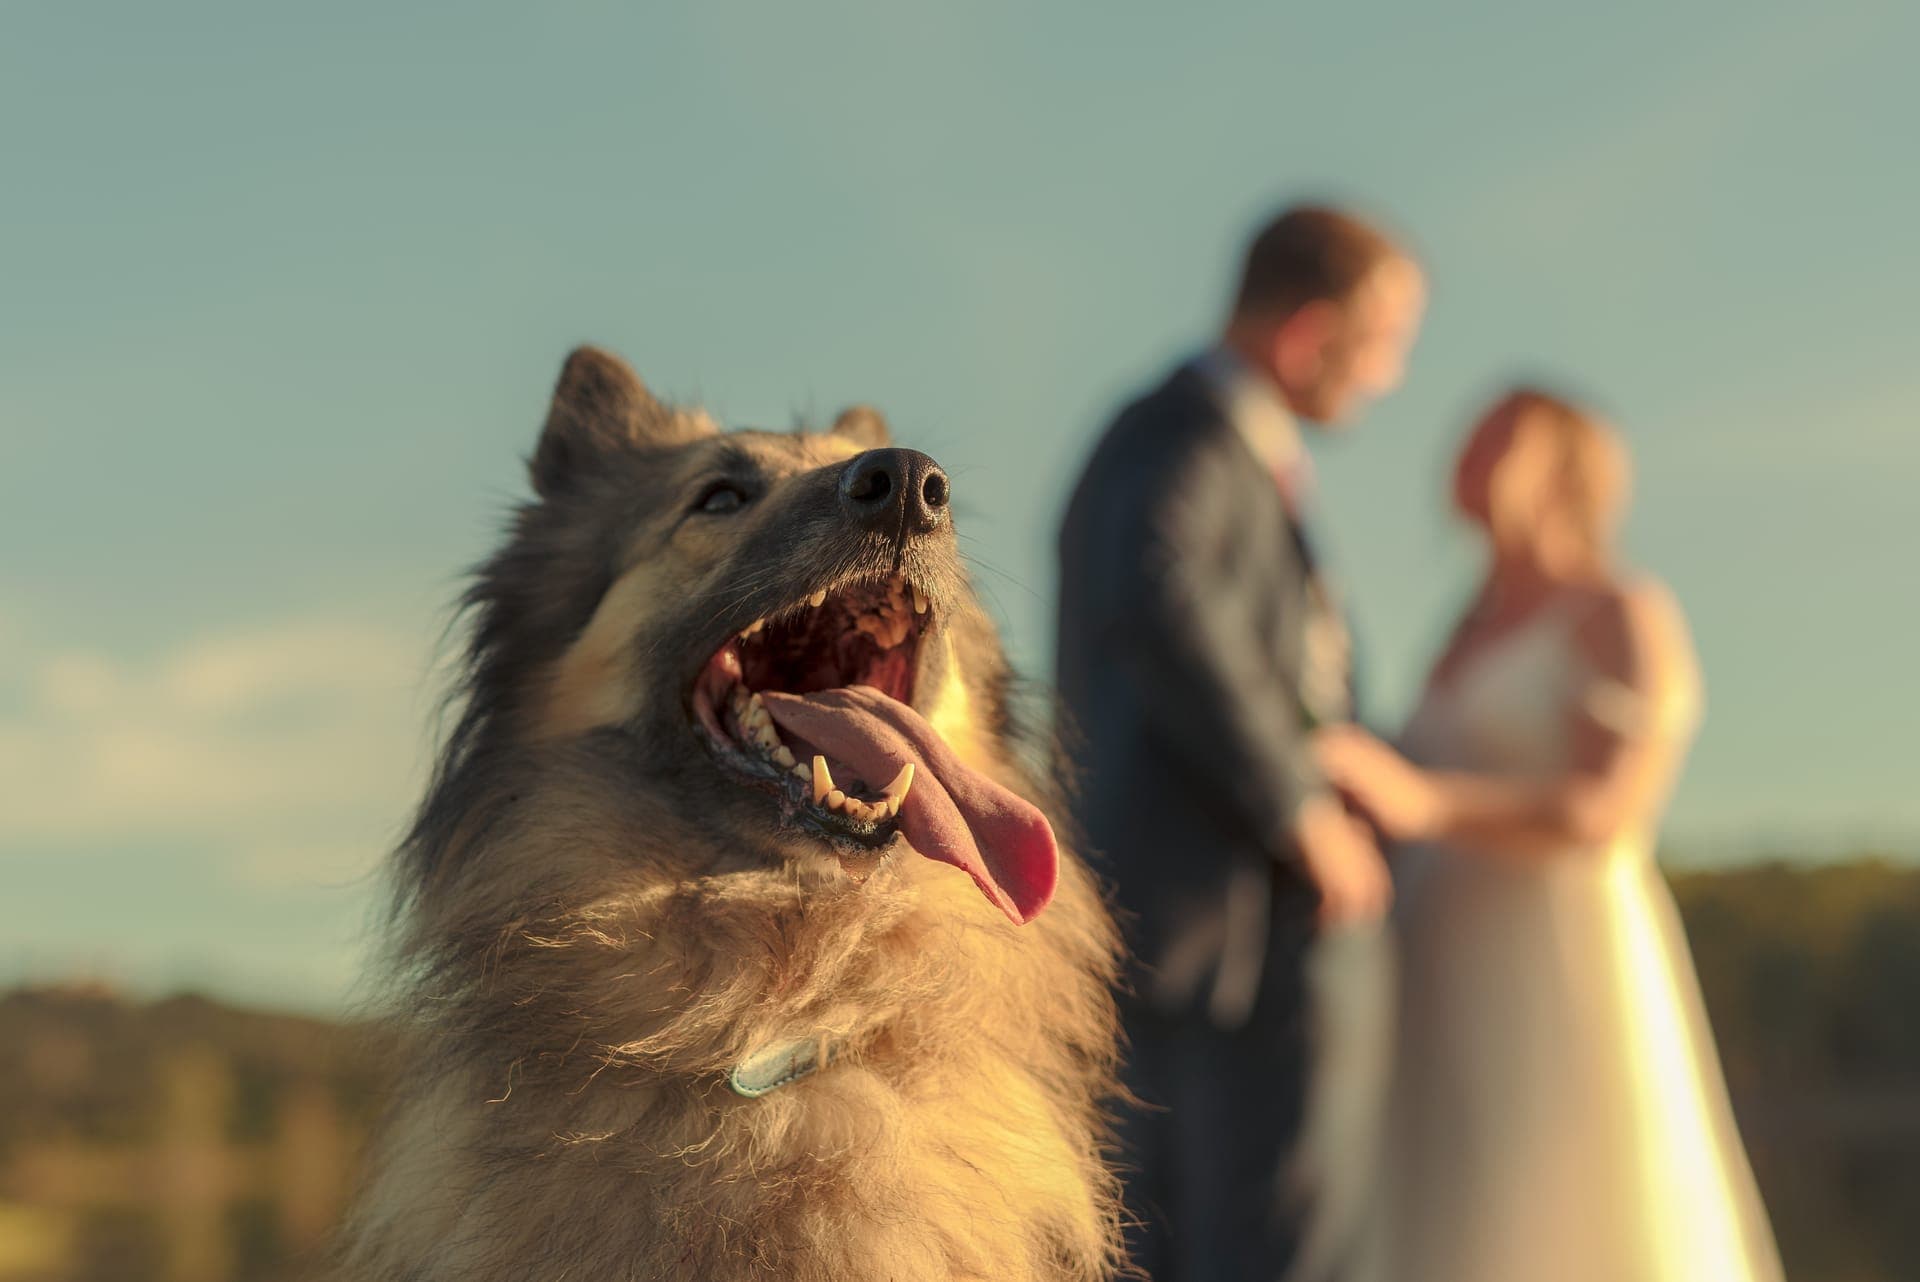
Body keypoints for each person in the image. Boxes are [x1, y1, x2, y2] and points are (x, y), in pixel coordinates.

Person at [1318, 389, 1785, 1282]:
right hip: (1438, 960)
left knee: (1566, 1209)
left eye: (1501, 440)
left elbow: (1613, 810)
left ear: (1565, 471)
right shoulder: (1462, 626)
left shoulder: (1621, 608)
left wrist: (1428, 804)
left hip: (1557, 959)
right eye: (1469, 435)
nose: (1468, 455)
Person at [1055, 205, 1424, 1282]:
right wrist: (1302, 805)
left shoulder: (1195, 443)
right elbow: (1158, 590)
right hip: (1230, 938)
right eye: (1382, 342)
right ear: (1310, 334)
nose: (1392, 375)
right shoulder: (1183, 436)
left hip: (1207, 937)